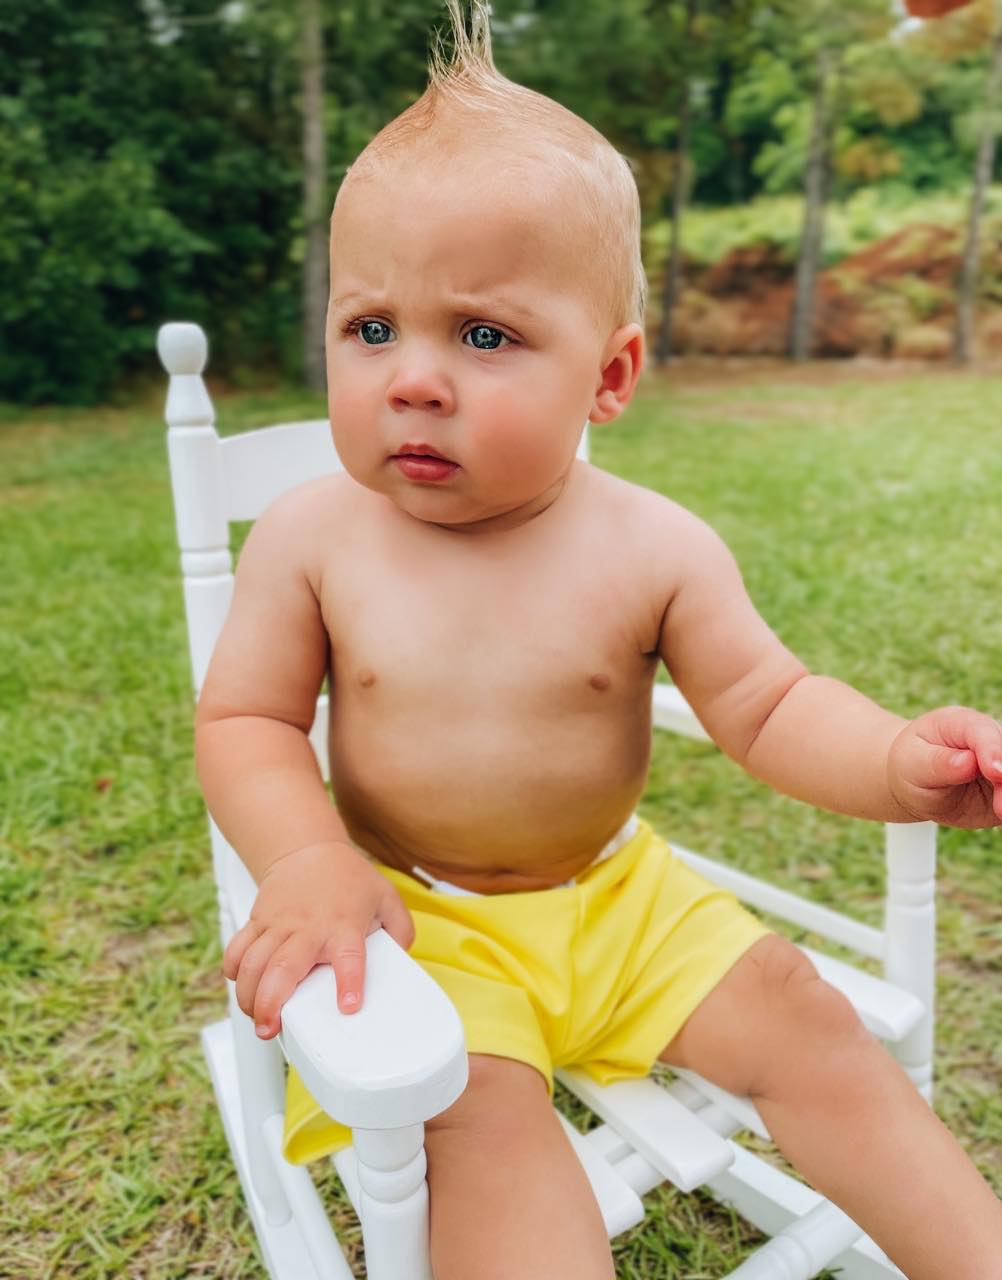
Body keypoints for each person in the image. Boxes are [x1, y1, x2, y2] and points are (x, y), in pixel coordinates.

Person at [196, 4, 1002, 1277]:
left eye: (482, 334)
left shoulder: (654, 545)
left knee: (811, 1019)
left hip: (622, 896)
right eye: (371, 327)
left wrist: (901, 761)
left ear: (609, 377)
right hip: (416, 917)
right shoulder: (312, 537)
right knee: (490, 1135)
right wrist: (306, 857)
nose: (413, 376)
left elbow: (773, 706)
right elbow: (243, 718)